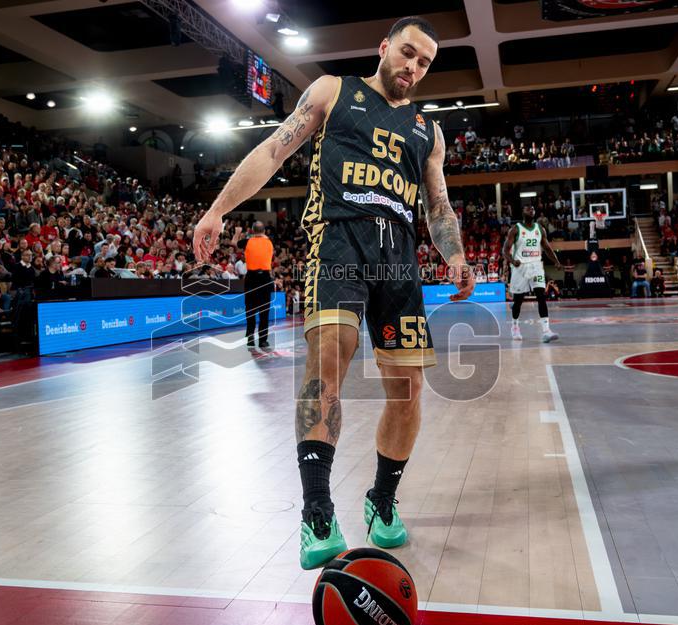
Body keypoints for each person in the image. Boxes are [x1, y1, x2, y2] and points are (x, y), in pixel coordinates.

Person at [192, 16, 474, 569]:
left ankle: (381, 501)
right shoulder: (332, 91)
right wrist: (218, 209)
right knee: (325, 368)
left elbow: (438, 208)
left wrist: (456, 254)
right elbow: (273, 151)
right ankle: (317, 511)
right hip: (339, 243)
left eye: (424, 62)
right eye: (408, 53)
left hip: (399, 259)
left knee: (408, 391)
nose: (413, 67)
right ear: (385, 47)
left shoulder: (428, 131)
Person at [503, 207, 562, 343]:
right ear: (523, 213)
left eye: (532, 209)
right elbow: (505, 250)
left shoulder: (540, 229)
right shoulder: (516, 229)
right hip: (520, 267)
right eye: (527, 209)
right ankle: (515, 326)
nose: (531, 210)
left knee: (541, 295)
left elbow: (547, 248)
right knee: (518, 301)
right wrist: (512, 260)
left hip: (536, 266)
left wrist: (556, 262)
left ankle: (546, 331)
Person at [233, 222, 274, 350]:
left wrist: (238, 232)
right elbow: (263, 237)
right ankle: (263, 341)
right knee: (264, 310)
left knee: (250, 308)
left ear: (252, 230)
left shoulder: (248, 242)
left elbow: (234, 243)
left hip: (251, 278)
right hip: (265, 278)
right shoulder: (269, 242)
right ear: (264, 231)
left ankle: (250, 337)